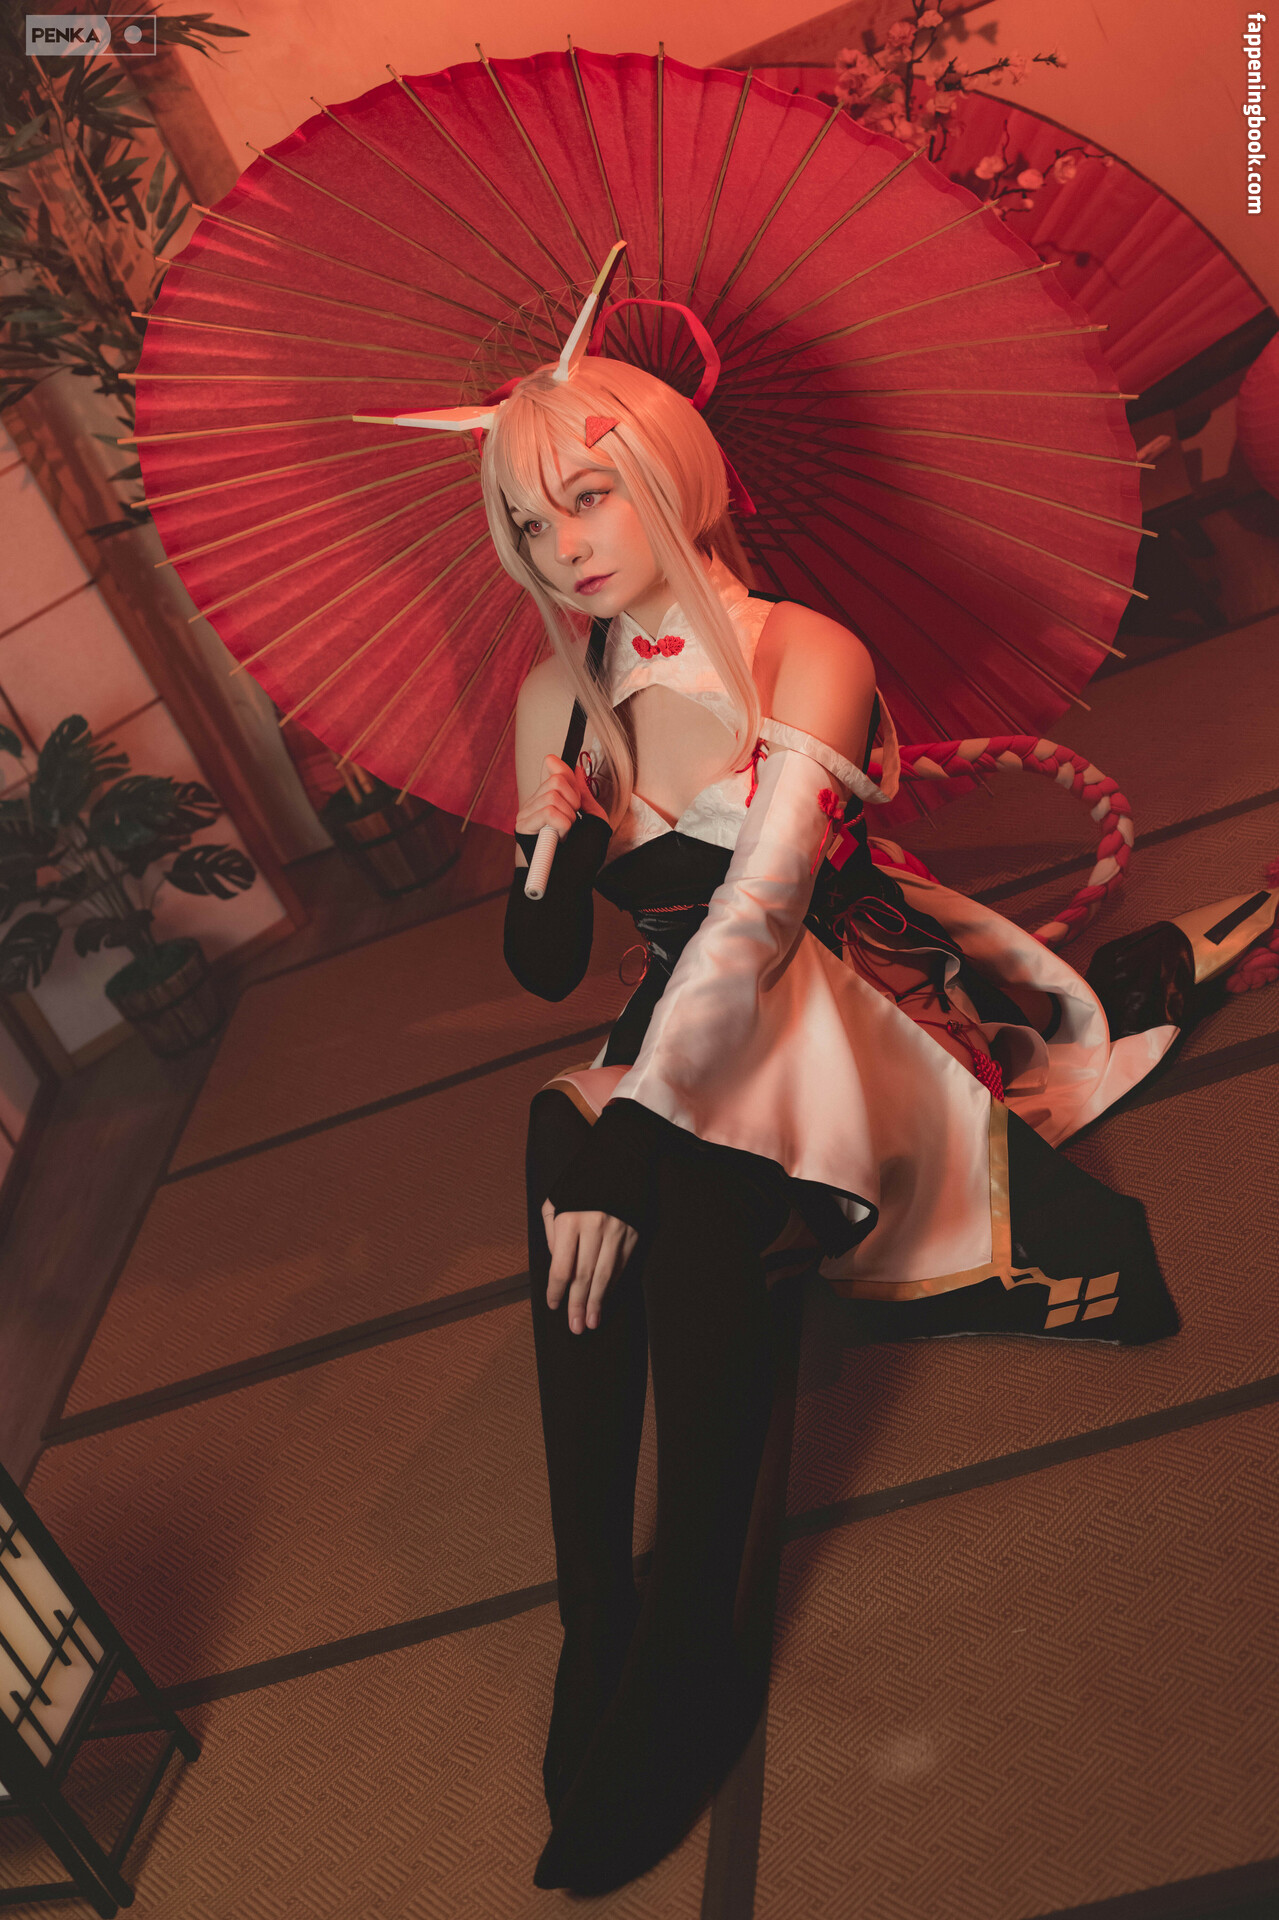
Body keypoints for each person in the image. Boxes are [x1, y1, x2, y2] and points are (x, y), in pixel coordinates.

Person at [482, 351, 1265, 1895]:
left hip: (843, 1005)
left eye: (589, 495)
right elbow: (546, 971)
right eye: (527, 521)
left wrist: (643, 1139)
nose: (563, 544)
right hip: (679, 1018)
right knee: (556, 1141)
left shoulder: (807, 652)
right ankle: (600, 1617)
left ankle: (693, 1634)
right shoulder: (552, 700)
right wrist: (547, 854)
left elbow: (763, 913)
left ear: (673, 472)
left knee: (673, 1172)